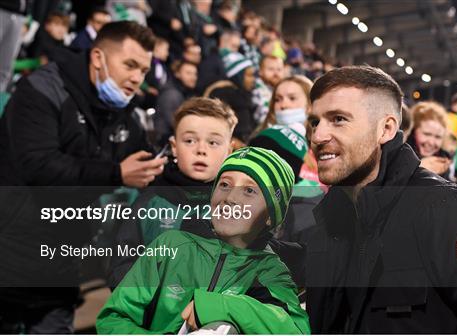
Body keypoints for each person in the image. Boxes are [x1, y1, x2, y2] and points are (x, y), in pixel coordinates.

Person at [305, 65, 457, 333]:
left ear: (386, 128)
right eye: (315, 121)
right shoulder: (330, 220)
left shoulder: (449, 212)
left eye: (338, 119)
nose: (318, 136)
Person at [0, 21, 166, 333]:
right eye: (129, 65)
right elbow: (39, 167)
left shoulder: (125, 115)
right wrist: (116, 173)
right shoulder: (40, 90)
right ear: (98, 57)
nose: (136, 79)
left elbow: (148, 165)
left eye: (143, 71)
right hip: (8, 260)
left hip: (58, 271)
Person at [96, 147, 310, 334]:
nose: (231, 198)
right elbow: (112, 319)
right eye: (224, 185)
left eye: (249, 190)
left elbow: (297, 330)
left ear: (271, 215)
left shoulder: (270, 270)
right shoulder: (170, 245)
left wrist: (222, 307)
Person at [108, 97, 236, 288]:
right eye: (190, 140)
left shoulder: (239, 204)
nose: (201, 150)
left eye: (213, 142)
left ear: (229, 150)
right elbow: (121, 266)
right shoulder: (150, 201)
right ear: (174, 147)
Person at [154, 60, 198, 143]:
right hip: (165, 143)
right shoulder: (171, 94)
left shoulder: (185, 92)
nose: (193, 77)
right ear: (177, 74)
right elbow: (175, 123)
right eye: (188, 73)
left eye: (195, 74)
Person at [406, 101, 452, 178]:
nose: (431, 142)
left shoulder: (443, 160)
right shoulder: (398, 156)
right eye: (427, 134)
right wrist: (417, 168)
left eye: (438, 137)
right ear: (413, 131)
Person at [253, 55, 285, 124]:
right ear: (260, 71)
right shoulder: (257, 88)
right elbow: (264, 120)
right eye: (271, 69)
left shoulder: (279, 88)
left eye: (279, 69)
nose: (276, 73)